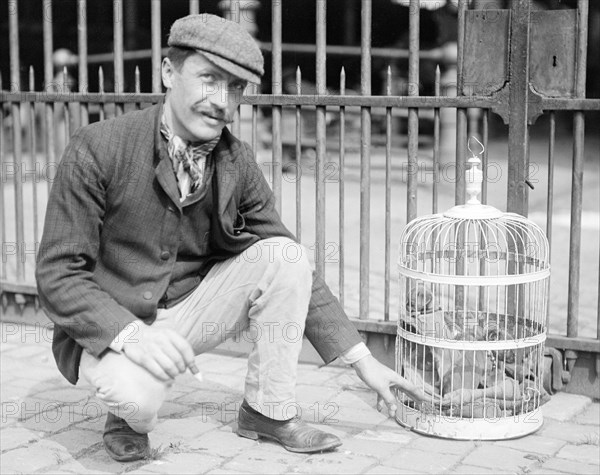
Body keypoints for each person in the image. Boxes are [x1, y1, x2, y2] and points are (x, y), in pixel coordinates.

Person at [35, 14, 425, 462]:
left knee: (285, 255)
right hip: (116, 321)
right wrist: (130, 336)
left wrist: (363, 360)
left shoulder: (236, 161)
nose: (222, 101)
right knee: (135, 401)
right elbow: (58, 272)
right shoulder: (97, 146)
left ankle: (267, 411)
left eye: (236, 87)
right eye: (208, 79)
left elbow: (290, 260)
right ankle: (126, 415)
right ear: (168, 72)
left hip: (190, 313)